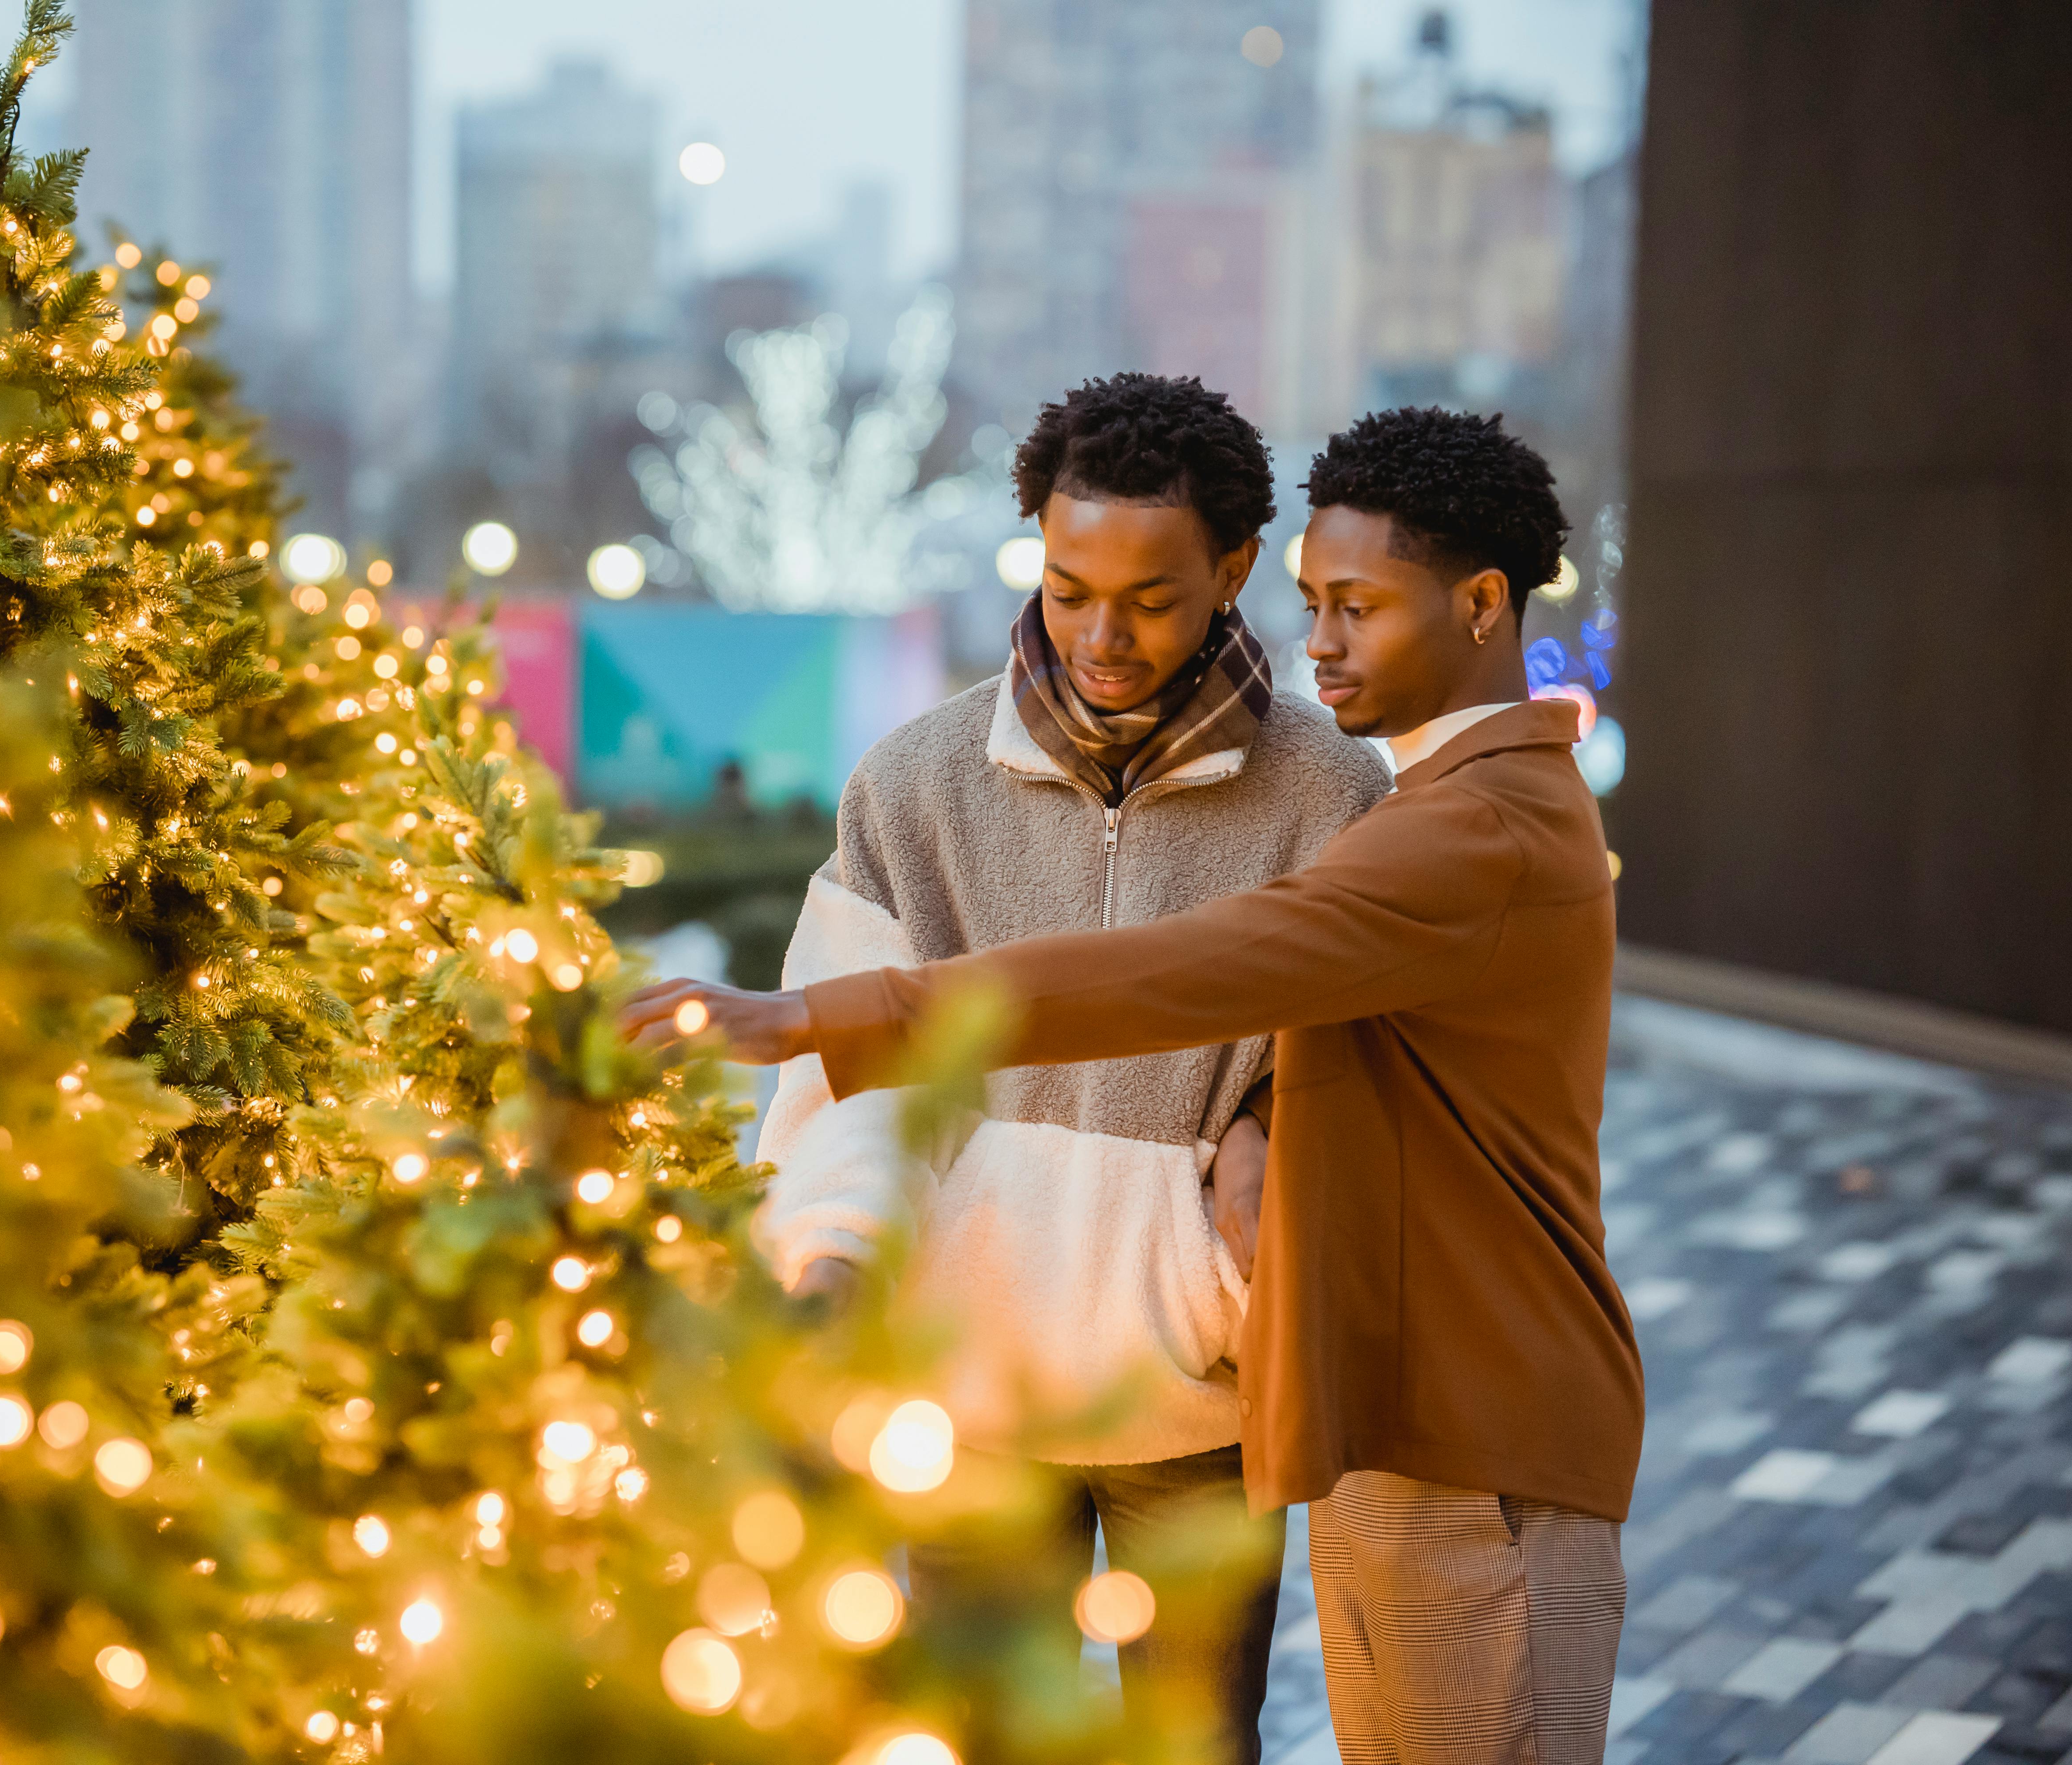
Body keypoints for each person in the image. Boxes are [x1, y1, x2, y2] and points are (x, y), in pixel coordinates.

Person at [628, 407, 1644, 1765]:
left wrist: (817, 1015)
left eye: (1355, 608)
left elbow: (1205, 974)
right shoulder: (926, 783)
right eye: (1068, 592)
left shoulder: (1437, 822)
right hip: (1325, 1423)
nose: (1324, 642)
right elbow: (1361, 1051)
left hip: (1415, 1424)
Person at [754, 373, 1388, 1761]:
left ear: (1230, 570)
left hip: (1202, 1402)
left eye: (1152, 600)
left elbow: (1360, 1073)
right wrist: (829, 1266)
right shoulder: (912, 787)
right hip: (969, 1398)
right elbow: (844, 1079)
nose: (1102, 634)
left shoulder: (1335, 800)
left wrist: (1259, 1139)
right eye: (1066, 586)